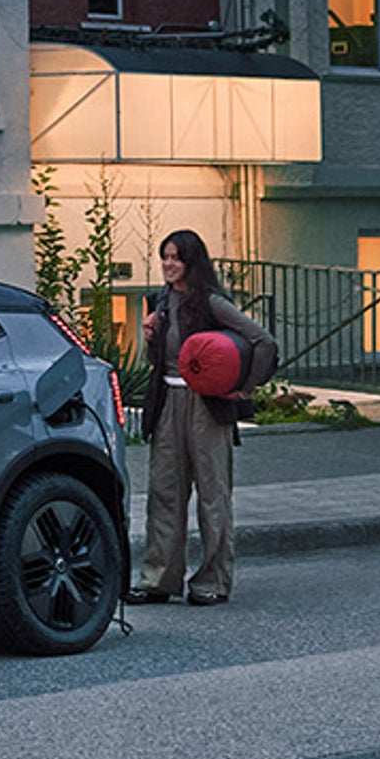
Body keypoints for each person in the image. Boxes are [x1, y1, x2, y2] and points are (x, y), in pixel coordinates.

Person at [134, 227, 279, 607]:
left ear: (192, 262)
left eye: (176, 258)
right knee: (164, 493)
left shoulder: (213, 303)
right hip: (168, 404)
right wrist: (150, 337)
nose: (168, 264)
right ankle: (158, 580)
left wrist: (243, 387)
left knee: (212, 496)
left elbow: (264, 342)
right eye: (165, 257)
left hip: (207, 407)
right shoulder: (161, 301)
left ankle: (212, 581)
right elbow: (159, 361)